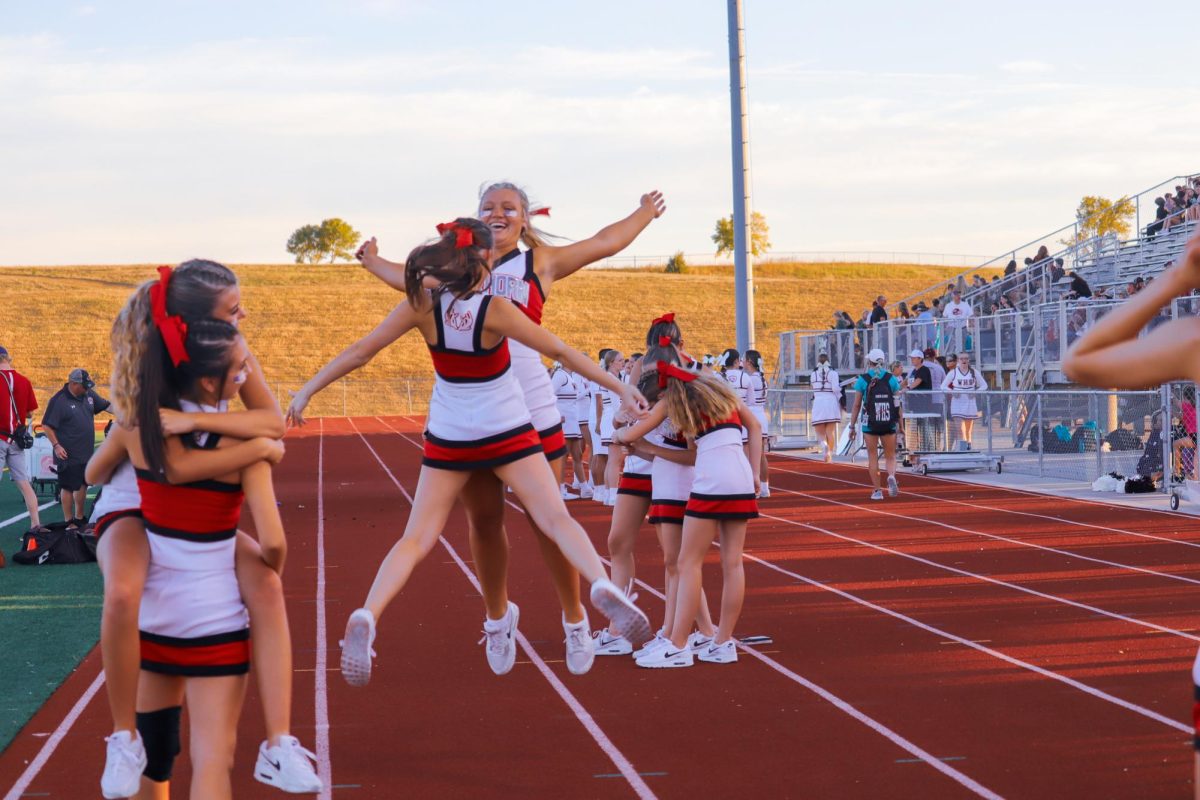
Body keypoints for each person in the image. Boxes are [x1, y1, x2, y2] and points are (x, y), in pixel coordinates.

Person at [287, 219, 653, 686]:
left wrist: (307, 391)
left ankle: (368, 613)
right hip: (506, 430)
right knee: (555, 517)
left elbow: (361, 351)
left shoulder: (421, 305)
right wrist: (620, 387)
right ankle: (599, 584)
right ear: (483, 261)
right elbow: (561, 352)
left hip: (451, 437)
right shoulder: (496, 308)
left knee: (415, 539)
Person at [89, 263, 320, 799]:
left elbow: (272, 423)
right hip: (136, 500)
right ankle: (124, 737)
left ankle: (279, 743)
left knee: (265, 583)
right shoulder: (152, 367)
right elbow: (165, 466)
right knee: (124, 590)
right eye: (233, 309)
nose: (244, 316)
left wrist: (202, 423)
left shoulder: (232, 351)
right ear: (191, 321)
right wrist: (255, 452)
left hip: (192, 510)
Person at [616, 354, 760, 668]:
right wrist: (756, 473)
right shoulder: (720, 392)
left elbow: (627, 434)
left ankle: (678, 645)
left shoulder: (675, 399)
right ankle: (723, 643)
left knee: (687, 562)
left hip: (712, 479)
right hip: (741, 475)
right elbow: (755, 425)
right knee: (732, 563)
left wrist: (622, 433)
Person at [41, 368, 111, 529]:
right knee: (67, 486)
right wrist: (57, 446)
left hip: (85, 451)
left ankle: (79, 518)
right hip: (67, 452)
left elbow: (106, 405)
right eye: (84, 386)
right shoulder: (58, 400)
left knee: (82, 484)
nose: (87, 389)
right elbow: (47, 425)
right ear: (73, 384)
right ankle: (69, 520)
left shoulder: (88, 394)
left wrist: (127, 412)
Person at [0, 346, 48, 539]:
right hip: (17, 439)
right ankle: (36, 524)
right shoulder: (24, 381)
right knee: (24, 483)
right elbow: (29, 412)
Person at [848, 349, 900, 500]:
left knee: (872, 456)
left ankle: (877, 490)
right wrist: (899, 424)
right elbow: (897, 404)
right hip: (888, 422)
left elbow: (857, 405)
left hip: (869, 423)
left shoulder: (863, 380)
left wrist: (851, 426)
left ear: (869, 362)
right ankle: (890, 476)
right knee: (890, 456)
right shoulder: (891, 379)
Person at [940, 352, 986, 450]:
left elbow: (984, 385)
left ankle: (968, 445)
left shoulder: (974, 372)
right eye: (961, 359)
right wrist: (952, 392)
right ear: (958, 361)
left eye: (966, 358)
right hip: (957, 402)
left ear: (968, 360)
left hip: (970, 402)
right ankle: (962, 446)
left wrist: (976, 392)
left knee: (968, 429)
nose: (964, 361)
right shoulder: (953, 372)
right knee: (959, 428)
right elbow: (943, 386)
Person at [550, 362, 582, 500]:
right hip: (563, 420)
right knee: (563, 456)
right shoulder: (560, 375)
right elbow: (548, 394)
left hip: (571, 420)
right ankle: (560, 488)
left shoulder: (569, 376)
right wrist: (555, 414)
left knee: (577, 454)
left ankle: (585, 487)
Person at [741, 350, 770, 495]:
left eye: (744, 359)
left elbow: (746, 398)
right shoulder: (762, 377)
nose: (742, 362)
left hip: (752, 415)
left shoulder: (750, 378)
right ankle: (765, 487)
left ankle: (755, 487)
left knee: (749, 453)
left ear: (750, 362)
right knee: (761, 454)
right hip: (761, 415)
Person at [809, 352, 841, 463]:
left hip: (819, 402)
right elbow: (836, 389)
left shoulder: (813, 374)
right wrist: (841, 395)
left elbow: (813, 388)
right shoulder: (833, 373)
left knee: (819, 432)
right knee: (830, 432)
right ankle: (829, 454)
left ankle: (824, 446)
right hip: (831, 402)